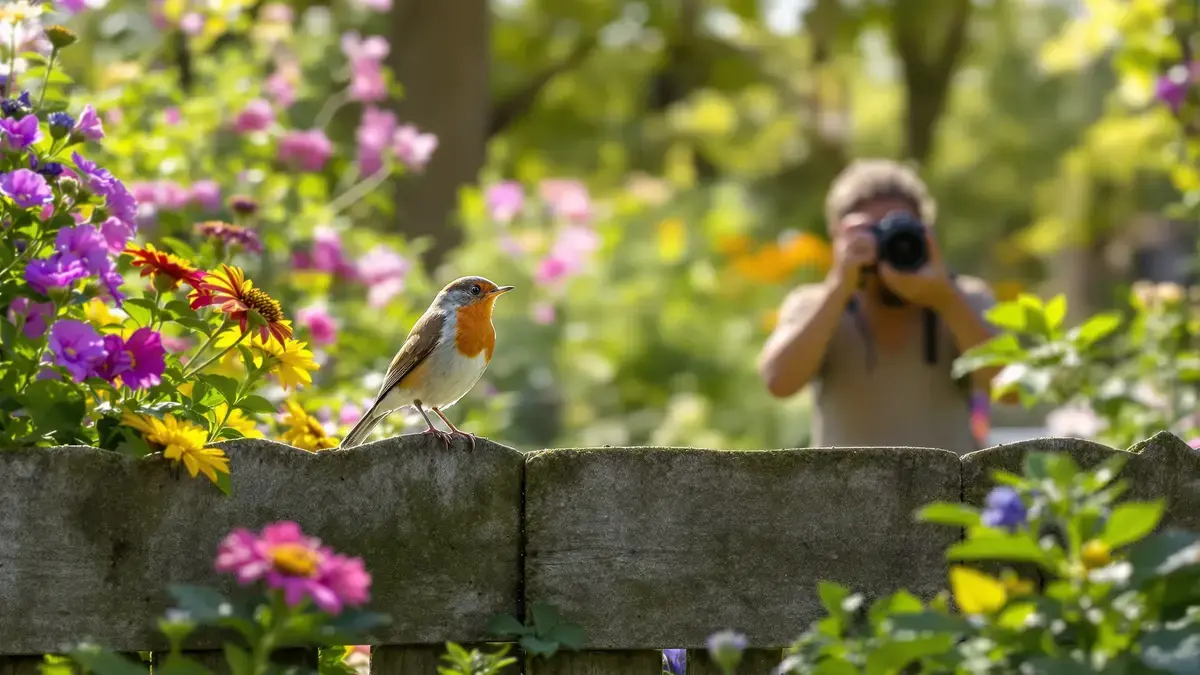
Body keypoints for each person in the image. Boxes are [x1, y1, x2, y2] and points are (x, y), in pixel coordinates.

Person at [757, 158, 1010, 454]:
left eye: (897, 229)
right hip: (846, 496)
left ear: (926, 233)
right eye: (870, 232)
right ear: (838, 236)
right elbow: (778, 382)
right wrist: (838, 290)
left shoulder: (965, 299)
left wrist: (945, 300)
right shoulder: (814, 305)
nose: (885, 244)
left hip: (948, 494)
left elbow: (1012, 389)